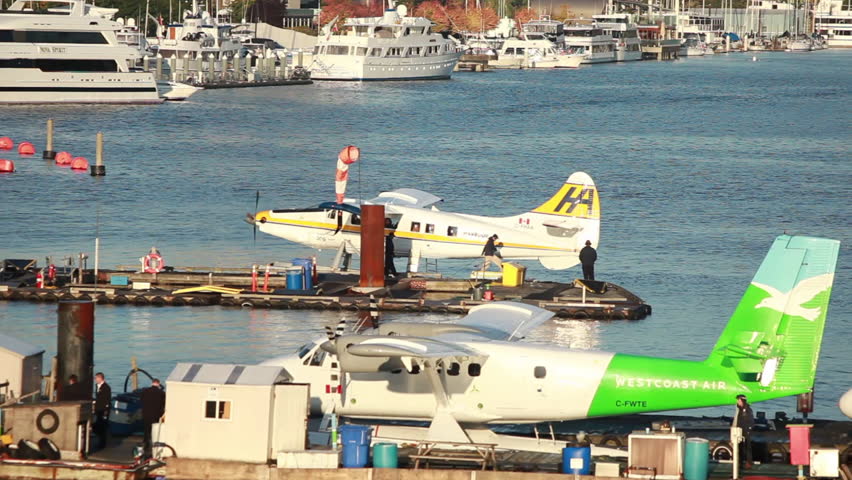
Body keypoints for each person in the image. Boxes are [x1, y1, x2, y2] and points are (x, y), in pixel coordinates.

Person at [140, 379, 166, 459]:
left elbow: (141, 400)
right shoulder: (161, 393)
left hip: (146, 413)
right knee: (154, 430)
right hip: (155, 415)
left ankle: (145, 443)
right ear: (158, 384)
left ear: (152, 383)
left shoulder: (145, 391)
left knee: (146, 429)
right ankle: (153, 443)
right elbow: (163, 404)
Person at [733, 394, 754, 469]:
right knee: (740, 446)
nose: (738, 402)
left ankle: (749, 462)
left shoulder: (748, 409)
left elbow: (751, 420)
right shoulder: (739, 409)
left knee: (748, 446)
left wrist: (749, 429)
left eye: (739, 400)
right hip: (739, 430)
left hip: (746, 430)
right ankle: (740, 462)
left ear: (743, 401)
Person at [93, 372, 111, 450]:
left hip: (103, 409)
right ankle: (100, 441)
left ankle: (102, 443)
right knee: (98, 425)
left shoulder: (106, 387)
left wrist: (106, 410)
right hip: (98, 409)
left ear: (100, 378)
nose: (95, 379)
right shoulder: (97, 386)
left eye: (96, 378)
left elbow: (107, 400)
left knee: (102, 426)